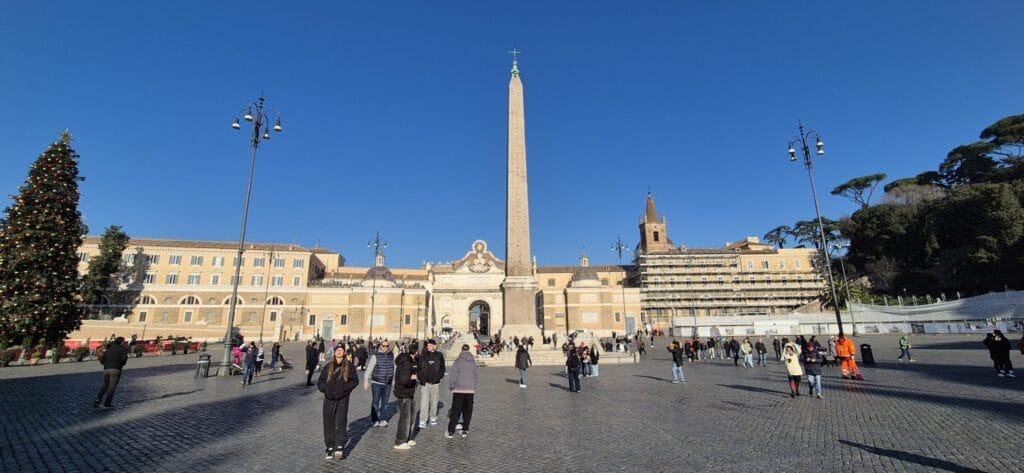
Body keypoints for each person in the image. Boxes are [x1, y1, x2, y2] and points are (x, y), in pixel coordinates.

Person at [318, 345, 359, 461]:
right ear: (334, 353)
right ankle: (330, 446)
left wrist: (345, 389)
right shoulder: (328, 367)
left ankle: (340, 445)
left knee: (341, 421)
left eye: (341, 350)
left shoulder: (349, 367)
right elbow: (320, 381)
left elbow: (354, 381)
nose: (339, 352)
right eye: (337, 350)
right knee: (328, 422)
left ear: (344, 353)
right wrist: (326, 389)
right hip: (329, 399)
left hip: (342, 398)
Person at [447, 344, 478, 438]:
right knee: (467, 411)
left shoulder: (458, 361)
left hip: (459, 389)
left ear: (461, 350)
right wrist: (473, 387)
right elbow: (475, 376)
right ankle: (465, 430)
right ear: (469, 350)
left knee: (456, 410)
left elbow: (453, 374)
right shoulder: (473, 361)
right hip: (470, 390)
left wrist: (452, 386)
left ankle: (451, 431)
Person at [393, 345, 419, 450]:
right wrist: (413, 378)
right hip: (404, 392)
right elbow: (404, 380)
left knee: (411, 415)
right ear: (416, 353)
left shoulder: (409, 362)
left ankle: (408, 437)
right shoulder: (407, 363)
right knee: (405, 417)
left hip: (409, 392)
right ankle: (400, 440)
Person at [364, 341, 395, 427]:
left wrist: (394, 379)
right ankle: (375, 419)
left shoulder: (391, 355)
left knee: (385, 402)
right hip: (377, 383)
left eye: (387, 346)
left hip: (387, 383)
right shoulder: (375, 356)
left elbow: (394, 367)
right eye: (383, 345)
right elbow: (369, 369)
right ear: (380, 346)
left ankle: (383, 419)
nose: (385, 347)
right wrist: (366, 381)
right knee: (375, 402)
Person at [417, 339, 445, 428]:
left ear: (434, 346)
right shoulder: (423, 356)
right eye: (427, 345)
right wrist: (421, 378)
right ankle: (423, 420)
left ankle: (433, 417)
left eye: (429, 345)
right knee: (424, 402)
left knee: (434, 401)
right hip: (425, 383)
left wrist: (439, 376)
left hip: (435, 383)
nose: (428, 347)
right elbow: (419, 368)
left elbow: (442, 368)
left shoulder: (439, 355)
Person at [94, 336, 128, 409]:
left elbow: (102, 359)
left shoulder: (108, 350)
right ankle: (107, 404)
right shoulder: (122, 349)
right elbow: (124, 360)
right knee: (111, 387)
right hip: (116, 369)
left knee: (105, 385)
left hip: (106, 369)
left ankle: (97, 401)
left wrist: (106, 365)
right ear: (122, 342)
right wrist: (119, 365)